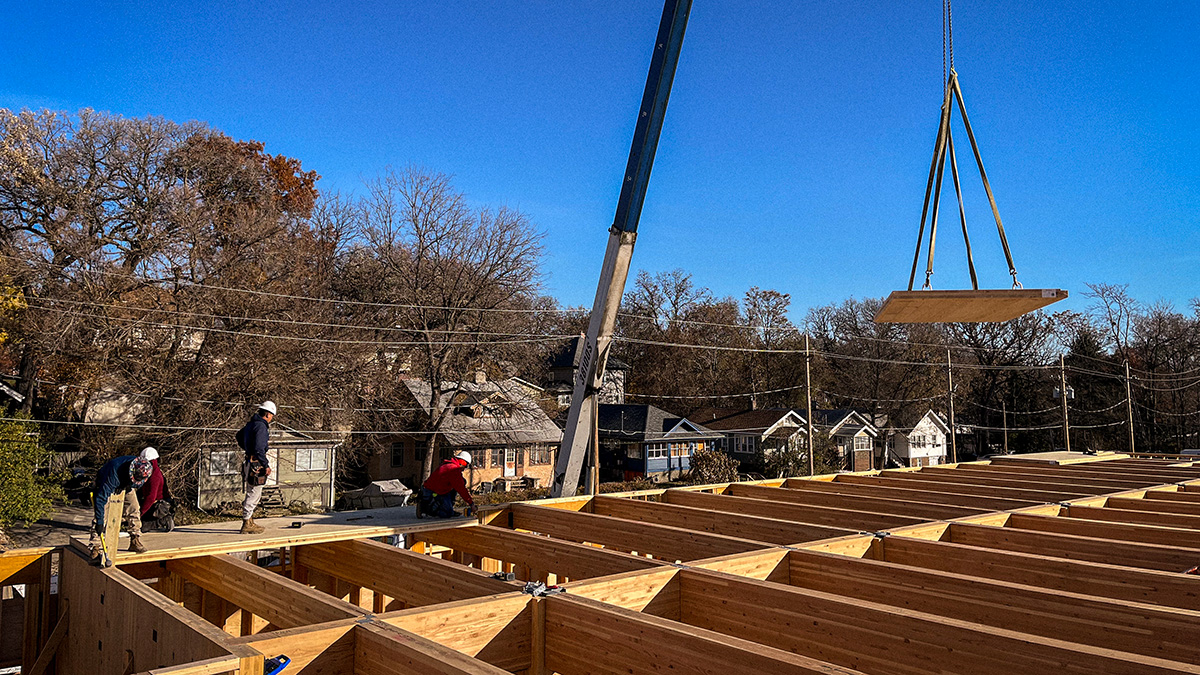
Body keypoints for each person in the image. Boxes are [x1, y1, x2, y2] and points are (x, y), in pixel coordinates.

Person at [90, 453, 154, 561]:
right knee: (102, 513)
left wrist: (127, 485)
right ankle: (95, 548)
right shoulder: (112, 474)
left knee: (134, 508)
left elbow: (138, 483)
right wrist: (100, 522)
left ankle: (135, 540)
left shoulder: (144, 469)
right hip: (107, 479)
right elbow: (100, 499)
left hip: (126, 482)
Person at [236, 401, 276, 535]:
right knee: (254, 493)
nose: (271, 419)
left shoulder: (250, 424)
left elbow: (239, 436)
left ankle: (250, 520)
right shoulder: (261, 427)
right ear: (267, 414)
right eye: (271, 416)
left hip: (249, 461)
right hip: (256, 464)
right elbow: (259, 448)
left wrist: (248, 448)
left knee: (252, 491)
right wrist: (265, 465)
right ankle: (247, 522)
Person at [417, 450, 475, 518]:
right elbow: (461, 489)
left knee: (462, 481)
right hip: (433, 492)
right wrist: (471, 504)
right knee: (446, 514)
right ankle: (424, 508)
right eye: (466, 466)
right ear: (463, 462)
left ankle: (447, 508)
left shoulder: (448, 465)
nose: (465, 468)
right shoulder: (453, 470)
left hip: (438, 490)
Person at [136, 447, 175, 533]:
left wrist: (140, 513)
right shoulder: (148, 473)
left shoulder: (155, 476)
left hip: (159, 505)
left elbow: (151, 497)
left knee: (142, 527)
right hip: (152, 503)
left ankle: (164, 520)